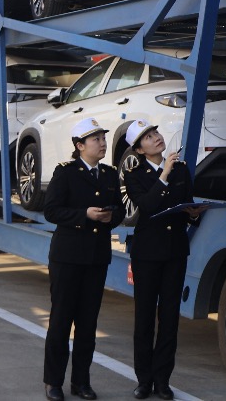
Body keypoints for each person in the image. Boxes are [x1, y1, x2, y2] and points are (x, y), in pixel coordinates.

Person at [42, 118, 126, 401]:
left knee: (88, 324)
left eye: (103, 138)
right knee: (61, 322)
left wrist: (109, 217)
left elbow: (120, 211)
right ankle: (53, 382)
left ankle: (81, 382)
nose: (103, 143)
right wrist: (84, 215)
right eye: (96, 139)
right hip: (67, 257)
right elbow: (51, 211)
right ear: (80, 146)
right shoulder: (65, 173)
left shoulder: (110, 174)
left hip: (95, 258)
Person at [122, 119, 206, 400]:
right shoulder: (134, 174)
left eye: (155, 132)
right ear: (139, 149)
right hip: (147, 254)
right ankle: (143, 380)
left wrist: (194, 214)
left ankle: (162, 381)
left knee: (169, 319)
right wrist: (164, 173)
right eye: (148, 137)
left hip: (174, 252)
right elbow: (145, 206)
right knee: (144, 318)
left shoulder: (182, 169)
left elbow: (186, 204)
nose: (156, 138)